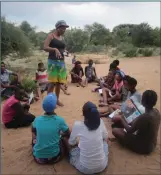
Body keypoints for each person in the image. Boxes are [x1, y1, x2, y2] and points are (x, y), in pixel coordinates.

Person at [112, 90, 161, 154]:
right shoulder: (156, 112)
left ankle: (125, 143)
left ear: (143, 101)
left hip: (143, 147)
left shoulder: (145, 116)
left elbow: (129, 130)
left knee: (115, 130)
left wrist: (121, 118)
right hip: (152, 144)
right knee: (128, 122)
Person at [69, 102, 109, 174]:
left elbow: (71, 143)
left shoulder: (77, 125)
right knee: (105, 143)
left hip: (85, 168)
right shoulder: (101, 122)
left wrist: (78, 144)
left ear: (84, 114)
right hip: (102, 166)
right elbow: (105, 137)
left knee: (72, 150)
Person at [32, 93, 70, 164]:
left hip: (38, 158)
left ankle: (37, 145)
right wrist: (61, 134)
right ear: (55, 106)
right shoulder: (59, 120)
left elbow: (34, 131)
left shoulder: (37, 119)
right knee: (64, 138)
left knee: (35, 133)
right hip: (54, 157)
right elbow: (68, 133)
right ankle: (68, 155)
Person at [44, 20, 69, 106]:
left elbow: (63, 48)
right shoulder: (51, 36)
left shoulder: (62, 38)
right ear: (58, 28)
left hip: (61, 62)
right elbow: (45, 47)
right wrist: (54, 49)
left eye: (65, 28)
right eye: (63, 28)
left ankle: (57, 100)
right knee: (52, 83)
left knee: (59, 83)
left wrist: (66, 52)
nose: (64, 30)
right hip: (52, 62)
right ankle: (49, 102)